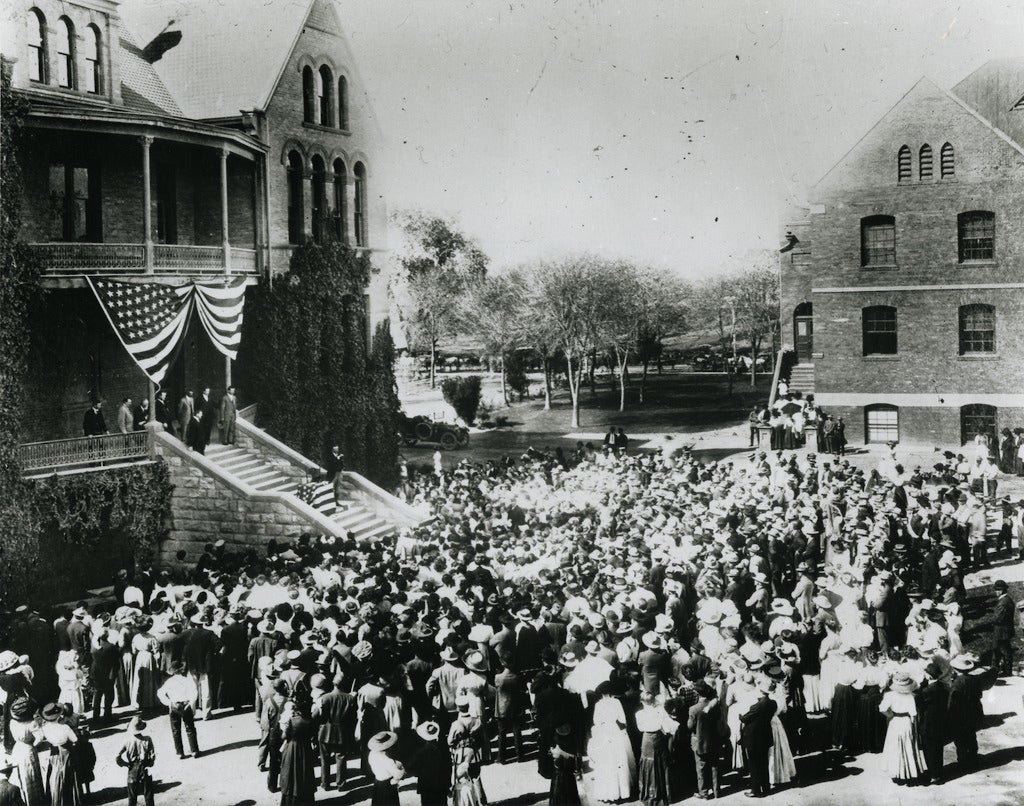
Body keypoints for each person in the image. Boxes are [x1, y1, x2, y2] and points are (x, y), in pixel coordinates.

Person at [587, 681, 635, 802]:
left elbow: (596, 721)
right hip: (615, 731)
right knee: (619, 759)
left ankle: (609, 791)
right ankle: (623, 791)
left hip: (604, 732)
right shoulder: (616, 702)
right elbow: (623, 719)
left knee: (607, 761)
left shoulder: (598, 704)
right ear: (610, 691)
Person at [313, 674, 356, 791]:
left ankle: (325, 784)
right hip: (342, 732)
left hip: (325, 732)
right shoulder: (350, 698)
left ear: (333, 683)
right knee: (341, 757)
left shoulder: (325, 697)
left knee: (324, 759)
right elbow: (353, 718)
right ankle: (341, 784)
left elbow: (317, 717)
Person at [739, 677, 777, 798]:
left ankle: (755, 790)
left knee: (754, 765)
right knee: (764, 763)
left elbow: (744, 718)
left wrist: (740, 714)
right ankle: (765, 788)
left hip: (753, 739)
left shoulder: (757, 706)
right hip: (765, 736)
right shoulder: (772, 704)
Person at [279, 694, 317, 806]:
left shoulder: (292, 720)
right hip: (305, 749)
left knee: (290, 774)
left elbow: (284, 736)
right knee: (305, 774)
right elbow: (312, 735)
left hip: (292, 748)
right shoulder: (309, 721)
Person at [157, 662, 200, 760]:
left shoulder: (169, 681)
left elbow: (160, 693)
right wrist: (190, 703)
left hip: (174, 706)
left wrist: (169, 703)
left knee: (176, 730)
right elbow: (194, 692)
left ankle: (179, 752)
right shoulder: (187, 680)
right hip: (185, 705)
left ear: (172, 671)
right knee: (190, 728)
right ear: (181, 670)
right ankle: (194, 750)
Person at [40, 702, 78, 805]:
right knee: (68, 775)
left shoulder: (45, 728)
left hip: (54, 752)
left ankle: (57, 798)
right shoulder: (64, 727)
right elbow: (75, 739)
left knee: (55, 775)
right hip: (65, 752)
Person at [116, 716, 156, 806]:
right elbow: (152, 756)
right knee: (148, 794)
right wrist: (150, 763)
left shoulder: (127, 741)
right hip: (145, 767)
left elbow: (117, 756)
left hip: (132, 769)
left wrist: (125, 764)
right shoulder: (147, 739)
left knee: (132, 797)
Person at [411, 721, 451, 806]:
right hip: (441, 786)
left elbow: (413, 770)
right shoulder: (443, 750)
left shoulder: (420, 753)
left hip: (426, 787)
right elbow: (448, 768)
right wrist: (448, 785)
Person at [366, 731, 405, 806]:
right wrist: (401, 768)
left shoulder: (371, 754)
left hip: (377, 782)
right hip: (388, 785)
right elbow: (398, 774)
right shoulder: (387, 760)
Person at [90, 629, 120, 723]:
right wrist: (113, 675)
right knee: (109, 695)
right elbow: (116, 664)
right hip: (107, 674)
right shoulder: (111, 647)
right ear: (107, 636)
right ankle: (107, 716)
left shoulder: (94, 646)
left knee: (97, 695)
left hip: (96, 673)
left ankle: (95, 717)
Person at [991, 579, 1016, 675]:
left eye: (997, 590)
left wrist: (992, 621)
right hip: (1005, 629)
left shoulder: (1003, 602)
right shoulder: (1006, 600)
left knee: (1003, 650)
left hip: (1001, 630)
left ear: (1001, 590)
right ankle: (1003, 669)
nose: (995, 592)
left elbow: (998, 618)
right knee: (1003, 650)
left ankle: (1006, 671)